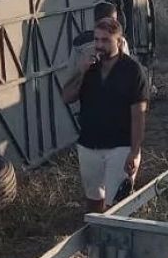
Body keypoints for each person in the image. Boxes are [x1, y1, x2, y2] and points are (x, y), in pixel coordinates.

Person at [62, 18, 150, 213]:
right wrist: (81, 71)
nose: (100, 45)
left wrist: (134, 152)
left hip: (120, 147)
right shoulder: (89, 67)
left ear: (118, 41)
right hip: (89, 145)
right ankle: (96, 242)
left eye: (105, 40)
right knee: (94, 202)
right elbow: (67, 97)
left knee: (117, 205)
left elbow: (138, 115)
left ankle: (118, 241)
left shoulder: (132, 71)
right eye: (97, 40)